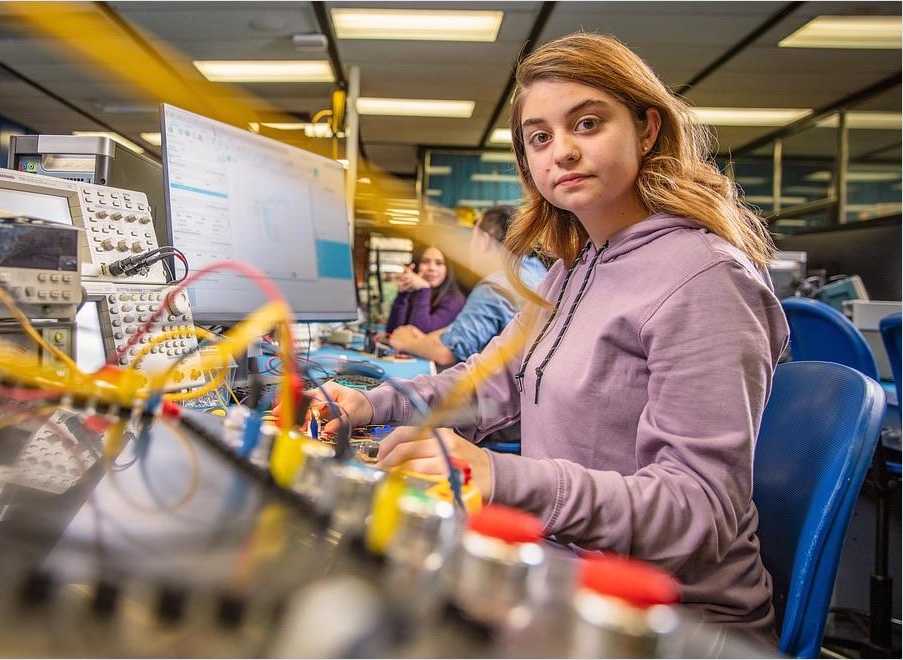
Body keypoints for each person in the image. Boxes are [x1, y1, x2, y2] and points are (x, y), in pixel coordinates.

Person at [305, 33, 789, 642]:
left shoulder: (706, 279)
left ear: (647, 128)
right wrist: (366, 405)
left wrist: (502, 478)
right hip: (565, 570)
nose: (560, 152)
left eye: (586, 124)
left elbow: (699, 509)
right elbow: (490, 383)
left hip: (671, 619)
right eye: (539, 137)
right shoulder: (570, 271)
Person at [386, 206, 548, 366]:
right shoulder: (536, 271)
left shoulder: (496, 288)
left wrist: (408, 343)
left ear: (484, 241)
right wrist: (423, 339)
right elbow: (460, 330)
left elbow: (447, 352)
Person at [383, 245, 465, 335]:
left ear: (448, 269)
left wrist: (424, 288)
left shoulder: (455, 300)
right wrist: (403, 294)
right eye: (425, 262)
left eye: (439, 263)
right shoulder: (415, 292)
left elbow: (420, 335)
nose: (432, 268)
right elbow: (392, 331)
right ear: (417, 266)